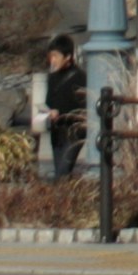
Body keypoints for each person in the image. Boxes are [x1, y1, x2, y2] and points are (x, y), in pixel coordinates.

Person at [40, 36, 87, 181]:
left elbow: (82, 107)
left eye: (56, 56)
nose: (52, 60)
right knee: (59, 173)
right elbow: (49, 101)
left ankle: (63, 199)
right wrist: (48, 111)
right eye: (50, 56)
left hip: (73, 131)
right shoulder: (52, 77)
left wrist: (61, 112)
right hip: (57, 131)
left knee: (62, 172)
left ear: (68, 57)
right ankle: (64, 200)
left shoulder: (80, 77)